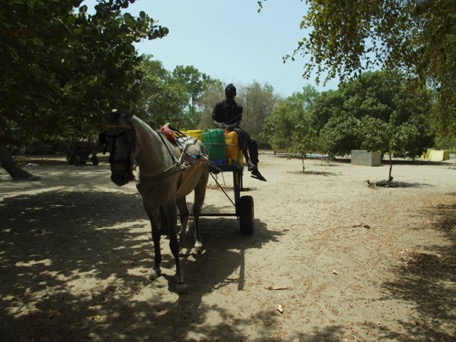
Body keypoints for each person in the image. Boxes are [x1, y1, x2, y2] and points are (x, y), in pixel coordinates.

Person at [212, 83, 267, 181]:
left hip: (234, 128)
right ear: (225, 94)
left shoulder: (238, 107)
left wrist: (231, 126)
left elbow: (237, 121)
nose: (229, 95)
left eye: (231, 94)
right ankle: (247, 159)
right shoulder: (219, 105)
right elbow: (213, 120)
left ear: (234, 94)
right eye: (227, 93)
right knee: (240, 134)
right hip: (221, 129)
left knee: (253, 142)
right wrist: (221, 125)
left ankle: (255, 168)